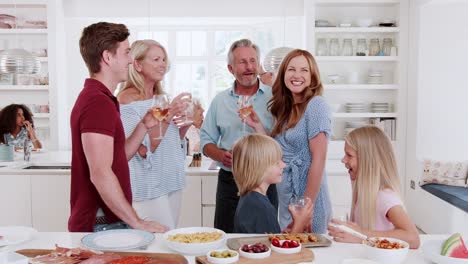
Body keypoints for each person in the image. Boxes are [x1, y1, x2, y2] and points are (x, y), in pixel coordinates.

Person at [69, 22, 167, 233]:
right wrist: (138, 223)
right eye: (127, 53)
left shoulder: (101, 99)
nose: (131, 60)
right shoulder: (98, 102)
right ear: (107, 57)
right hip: (101, 223)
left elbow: (116, 158)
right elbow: (100, 173)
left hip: (107, 220)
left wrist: (143, 126)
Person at [244, 49, 332, 233]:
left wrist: (306, 209)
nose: (297, 75)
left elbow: (319, 159)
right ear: (283, 73)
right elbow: (279, 150)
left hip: (308, 199)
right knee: (288, 252)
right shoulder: (285, 108)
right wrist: (258, 126)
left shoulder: (316, 105)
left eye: (304, 70)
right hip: (286, 199)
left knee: (309, 255)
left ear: (312, 76)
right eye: (291, 69)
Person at [117, 39, 203, 229]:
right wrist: (169, 113)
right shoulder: (126, 100)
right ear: (137, 64)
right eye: (156, 59)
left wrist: (187, 123)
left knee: (169, 237)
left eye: (164, 60)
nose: (162, 64)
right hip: (149, 185)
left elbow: (169, 141)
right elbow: (143, 150)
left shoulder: (161, 98)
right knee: (158, 243)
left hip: (171, 179)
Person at [200, 39, 278, 233]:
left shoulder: (275, 98)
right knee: (224, 237)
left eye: (253, 61)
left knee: (264, 239)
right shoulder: (220, 101)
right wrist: (220, 155)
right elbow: (205, 140)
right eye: (242, 62)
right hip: (230, 181)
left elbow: (281, 142)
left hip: (264, 181)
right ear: (230, 68)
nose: (249, 67)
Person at [327, 126, 420, 249]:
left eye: (349, 155)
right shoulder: (364, 194)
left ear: (368, 160)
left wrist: (361, 235)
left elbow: (413, 238)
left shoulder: (384, 196)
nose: (343, 160)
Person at [232, 134, 313, 234]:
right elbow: (277, 249)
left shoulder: (251, 199)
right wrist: (299, 224)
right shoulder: (260, 207)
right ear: (259, 167)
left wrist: (283, 234)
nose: (283, 165)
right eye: (276, 162)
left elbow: (267, 242)